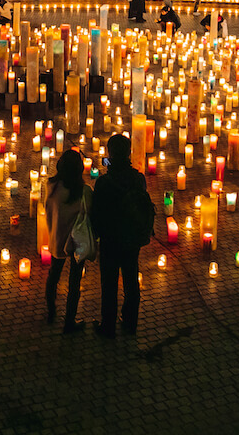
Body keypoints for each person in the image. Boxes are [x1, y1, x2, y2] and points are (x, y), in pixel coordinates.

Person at [91, 133, 151, 338]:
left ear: (110, 154)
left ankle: (107, 326)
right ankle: (130, 322)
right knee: (131, 281)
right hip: (132, 238)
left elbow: (96, 213)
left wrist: (96, 235)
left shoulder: (103, 183)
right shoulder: (138, 179)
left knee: (109, 285)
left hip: (110, 240)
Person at [44, 150, 93, 334]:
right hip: (76, 242)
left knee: (53, 276)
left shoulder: (52, 187)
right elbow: (90, 214)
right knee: (74, 282)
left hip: (57, 238)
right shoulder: (83, 192)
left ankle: (51, 312)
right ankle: (69, 321)